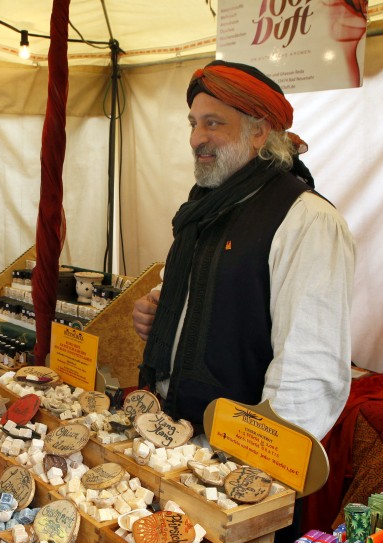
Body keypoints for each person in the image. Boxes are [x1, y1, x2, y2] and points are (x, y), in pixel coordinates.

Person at [133, 61, 355, 442]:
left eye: (213, 123)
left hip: (232, 453)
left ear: (259, 131)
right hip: (168, 431)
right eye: (193, 124)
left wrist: (256, 459)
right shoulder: (204, 208)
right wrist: (160, 306)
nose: (196, 139)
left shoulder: (307, 221)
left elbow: (307, 370)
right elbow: (203, 292)